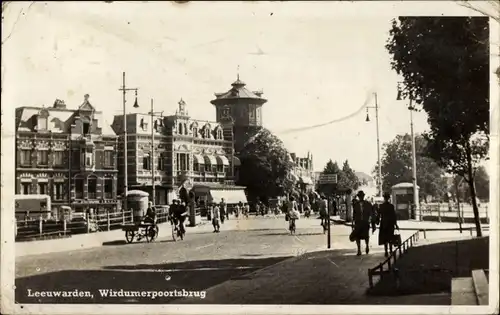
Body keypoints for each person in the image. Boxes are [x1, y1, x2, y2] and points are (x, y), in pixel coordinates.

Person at [352, 190, 376, 256]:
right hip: (358, 223)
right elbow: (354, 214)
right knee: (357, 236)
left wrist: (372, 223)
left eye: (362, 196)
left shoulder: (368, 204)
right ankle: (359, 249)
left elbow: (372, 213)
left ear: (363, 196)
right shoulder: (356, 205)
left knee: (366, 236)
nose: (360, 197)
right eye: (359, 196)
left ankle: (367, 246)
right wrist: (353, 223)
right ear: (358, 197)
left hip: (365, 223)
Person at [377, 192, 399, 257]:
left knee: (385, 238)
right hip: (390, 224)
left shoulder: (381, 206)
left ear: (384, 198)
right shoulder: (391, 206)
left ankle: (386, 251)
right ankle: (391, 250)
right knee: (390, 237)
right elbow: (394, 216)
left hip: (383, 224)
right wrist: (396, 224)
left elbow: (378, 215)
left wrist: (377, 221)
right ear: (389, 198)